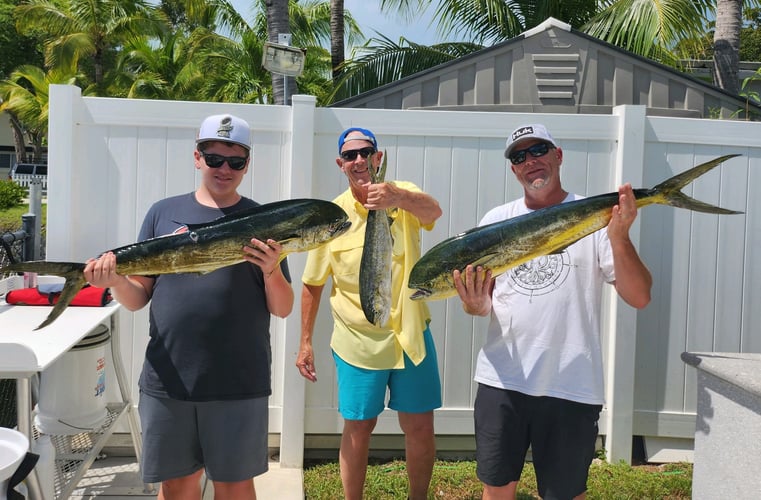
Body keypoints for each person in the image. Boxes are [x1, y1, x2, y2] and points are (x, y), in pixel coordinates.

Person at [83, 114, 294, 500]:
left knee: (235, 486)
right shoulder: (162, 213)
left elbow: (282, 308)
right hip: (169, 378)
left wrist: (271, 271)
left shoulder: (266, 221)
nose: (224, 169)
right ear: (197, 158)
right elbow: (137, 297)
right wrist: (113, 281)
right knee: (177, 486)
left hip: (239, 380)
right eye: (214, 158)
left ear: (248, 164)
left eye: (236, 161)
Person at [453, 124, 653, 500]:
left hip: (572, 385)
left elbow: (639, 296)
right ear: (513, 169)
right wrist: (474, 304)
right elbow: (482, 303)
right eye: (519, 156)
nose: (530, 161)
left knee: (564, 494)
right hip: (503, 381)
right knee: (496, 490)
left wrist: (619, 236)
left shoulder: (595, 218)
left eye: (538, 149)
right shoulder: (496, 220)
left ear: (558, 155)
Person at [296, 127, 443, 500]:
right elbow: (313, 284)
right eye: (350, 156)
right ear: (340, 164)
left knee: (420, 426)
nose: (359, 161)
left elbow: (434, 211)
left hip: (410, 335)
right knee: (359, 426)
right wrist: (305, 342)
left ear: (378, 158)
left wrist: (398, 196)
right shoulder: (331, 217)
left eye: (366, 153)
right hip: (357, 342)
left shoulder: (402, 195)